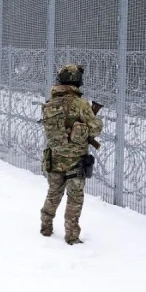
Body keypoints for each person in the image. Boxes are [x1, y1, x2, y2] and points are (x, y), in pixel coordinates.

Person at [39, 64, 103, 245]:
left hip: (54, 158)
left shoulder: (50, 104)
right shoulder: (81, 104)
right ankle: (72, 236)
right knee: (74, 198)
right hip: (76, 161)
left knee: (53, 193)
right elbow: (95, 129)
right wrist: (94, 120)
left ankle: (46, 226)